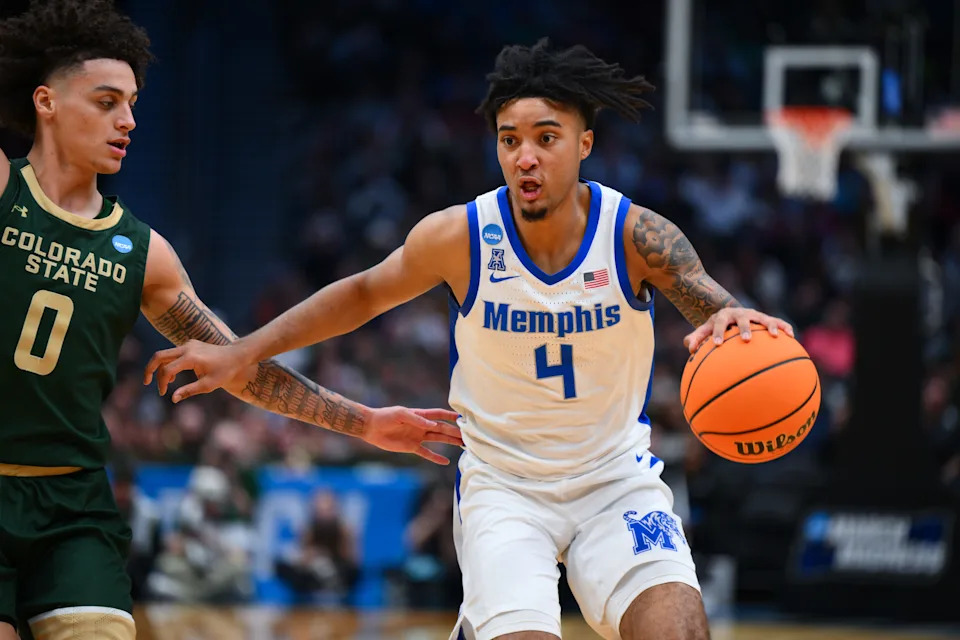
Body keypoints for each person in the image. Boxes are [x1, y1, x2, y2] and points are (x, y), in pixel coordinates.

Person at [146, 40, 794, 640]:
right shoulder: (460, 236)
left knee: (679, 630)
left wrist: (735, 317)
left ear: (585, 143)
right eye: (510, 140)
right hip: (504, 489)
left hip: (614, 481)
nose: (525, 156)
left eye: (546, 137)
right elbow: (362, 294)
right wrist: (243, 350)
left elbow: (708, 299)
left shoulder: (635, 234)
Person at [0, 2, 460, 639]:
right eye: (106, 101)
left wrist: (367, 422)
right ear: (45, 101)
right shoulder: (5, 191)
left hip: (72, 504)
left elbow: (240, 367)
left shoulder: (146, 254)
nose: (128, 120)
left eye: (132, 102)